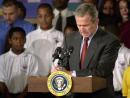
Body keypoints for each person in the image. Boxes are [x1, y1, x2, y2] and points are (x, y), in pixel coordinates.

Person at [53, 3, 121, 98]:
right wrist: (58, 69)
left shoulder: (110, 41)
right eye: (79, 25)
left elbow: (102, 70)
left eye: (85, 25)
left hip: (98, 95)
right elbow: (64, 64)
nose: (81, 29)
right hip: (73, 94)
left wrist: (72, 73)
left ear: (96, 21)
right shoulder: (70, 38)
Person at [25, 3, 64, 76]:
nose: (44, 19)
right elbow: (26, 57)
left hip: (53, 76)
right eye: (40, 16)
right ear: (37, 17)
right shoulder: (30, 36)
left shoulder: (60, 36)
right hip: (33, 77)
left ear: (53, 16)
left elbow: (60, 58)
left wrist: (52, 73)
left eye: (47, 16)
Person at [0, 27, 38, 98]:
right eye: (15, 39)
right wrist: (7, 95)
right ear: (10, 40)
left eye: (21, 39)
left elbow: (32, 81)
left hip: (26, 95)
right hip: (6, 95)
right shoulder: (2, 58)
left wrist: (21, 96)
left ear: (25, 40)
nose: (19, 41)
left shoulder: (32, 58)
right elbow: (1, 82)